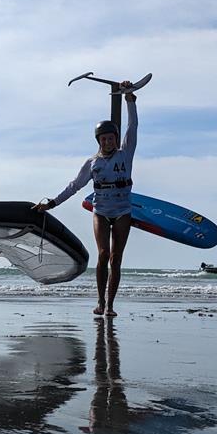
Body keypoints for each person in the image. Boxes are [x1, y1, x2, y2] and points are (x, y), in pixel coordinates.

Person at [35, 81, 137, 317]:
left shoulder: (126, 154)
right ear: (99, 141)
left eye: (111, 138)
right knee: (102, 254)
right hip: (101, 210)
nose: (108, 142)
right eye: (104, 139)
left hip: (123, 210)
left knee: (116, 258)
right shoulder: (92, 163)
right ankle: (100, 302)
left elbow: (133, 127)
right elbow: (74, 186)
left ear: (116, 139)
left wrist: (130, 100)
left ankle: (110, 306)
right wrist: (52, 203)